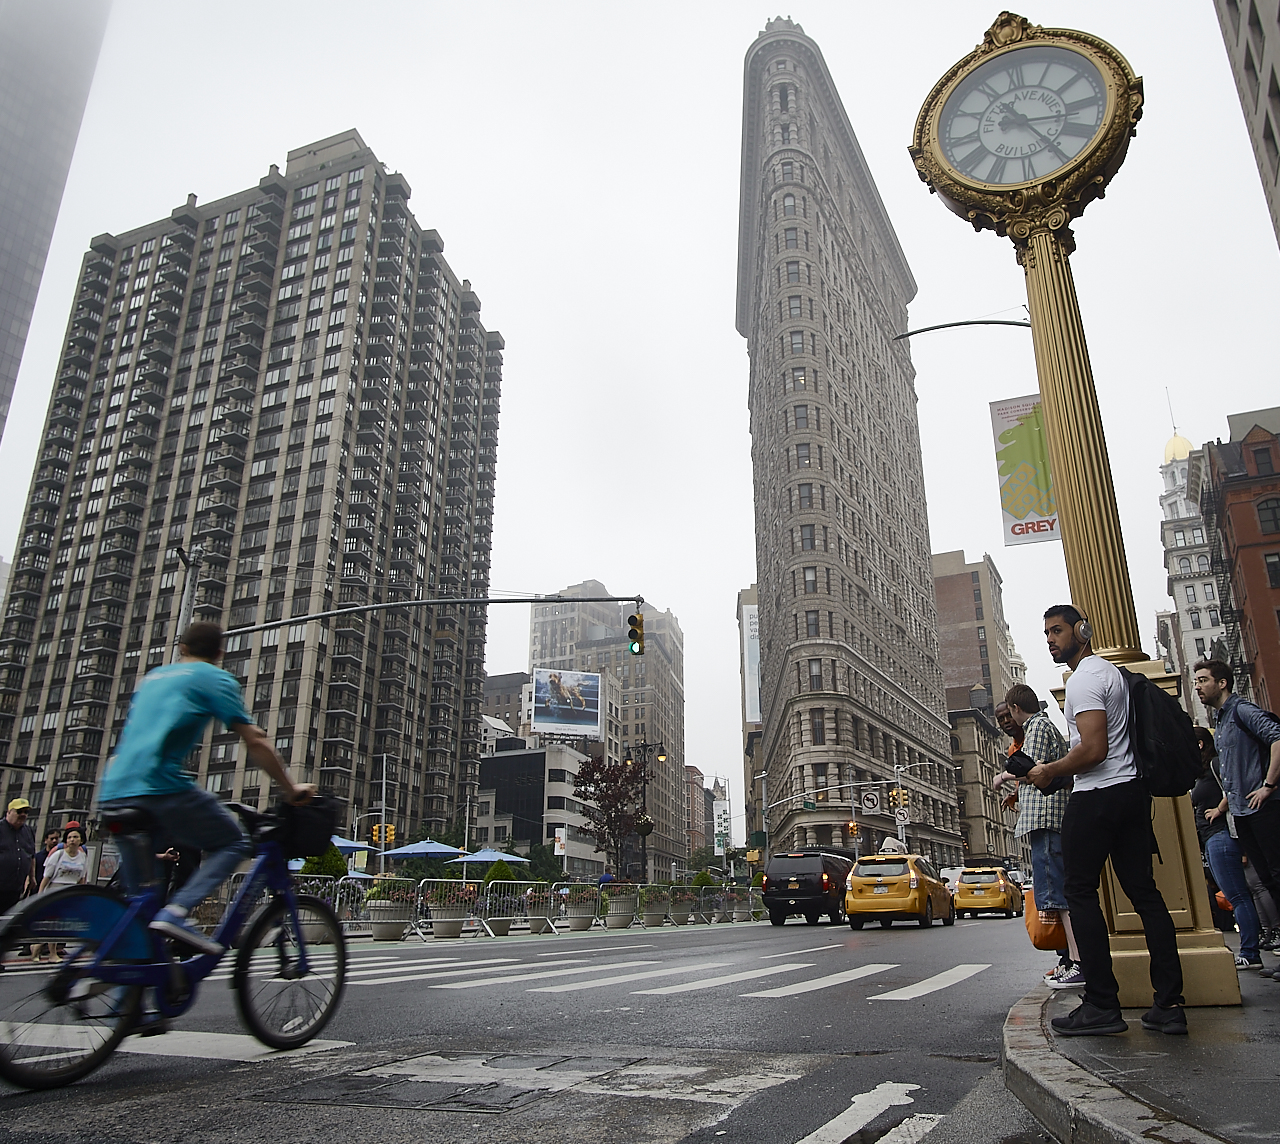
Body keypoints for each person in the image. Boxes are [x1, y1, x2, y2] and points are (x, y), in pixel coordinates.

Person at [97, 621, 315, 955]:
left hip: (113, 790)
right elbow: (255, 740)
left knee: (142, 905)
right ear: (219, 653)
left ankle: (125, 988)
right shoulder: (215, 678)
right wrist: (289, 788)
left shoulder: (152, 679)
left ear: (181, 647)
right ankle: (178, 910)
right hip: (159, 787)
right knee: (233, 841)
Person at [1026, 605, 1185, 1037]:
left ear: (1083, 630)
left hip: (1098, 796)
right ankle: (1169, 1004)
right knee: (1145, 895)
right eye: (1046, 633)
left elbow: (1093, 750)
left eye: (1057, 630)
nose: (1051, 640)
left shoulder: (1084, 680)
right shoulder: (1111, 675)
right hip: (1131, 794)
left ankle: (1101, 1004)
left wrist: (1049, 770)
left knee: (1078, 892)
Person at [1193, 658, 1280, 962]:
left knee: (1275, 877)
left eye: (1203, 680)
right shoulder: (1222, 720)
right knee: (1268, 880)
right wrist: (1223, 809)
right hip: (1241, 815)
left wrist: (1268, 785)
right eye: (1196, 682)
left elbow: (1277, 738)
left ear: (1222, 683)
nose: (1198, 686)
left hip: (1263, 810)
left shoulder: (1242, 711)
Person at [1003, 684, 1082, 988]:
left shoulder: (1036, 727)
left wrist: (1007, 775)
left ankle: (1077, 961)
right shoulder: (1044, 725)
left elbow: (1034, 771)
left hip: (1046, 819)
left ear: (1014, 707)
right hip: (1050, 818)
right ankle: (1072, 959)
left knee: (1058, 895)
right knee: (1058, 892)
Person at [1191, 727, 1263, 970]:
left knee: (1238, 896)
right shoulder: (1202, 773)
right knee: (1238, 895)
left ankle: (1250, 952)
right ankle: (1251, 948)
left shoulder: (1214, 765)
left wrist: (1219, 809)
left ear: (1199, 744)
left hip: (1221, 835)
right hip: (1212, 838)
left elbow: (1233, 785)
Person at [34, 826, 89, 962]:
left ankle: (37, 946)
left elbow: (82, 878)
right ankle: (52, 954)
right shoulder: (58, 855)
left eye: (75, 837)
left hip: (70, 892)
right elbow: (46, 877)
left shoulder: (83, 857)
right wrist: (40, 895)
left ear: (81, 840)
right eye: (69, 837)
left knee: (63, 924)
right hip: (55, 889)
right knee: (54, 922)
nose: (72, 840)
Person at [0, 799, 36, 917]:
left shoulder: (28, 831)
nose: (23, 815)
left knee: (7, 920)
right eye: (19, 811)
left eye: (26, 812)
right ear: (9, 812)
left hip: (15, 888)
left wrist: (32, 876)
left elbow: (31, 855)